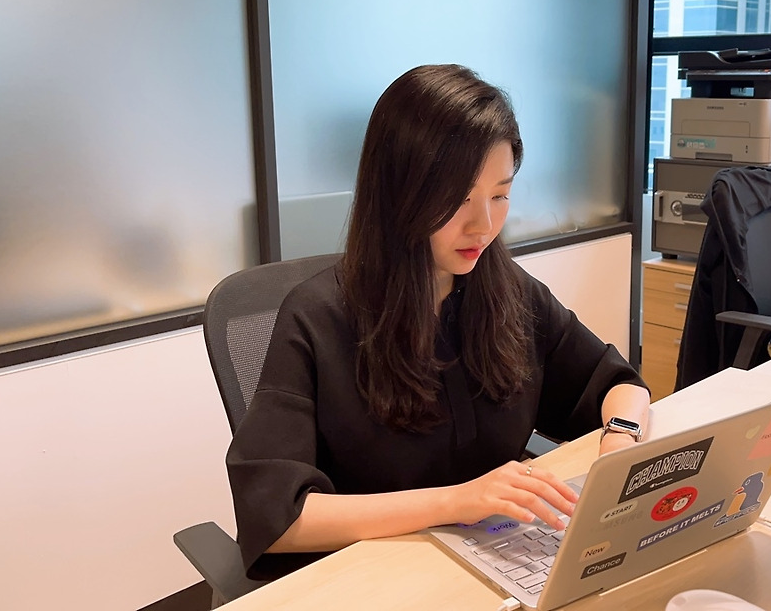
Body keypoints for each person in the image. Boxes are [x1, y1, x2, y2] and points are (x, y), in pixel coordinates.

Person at [226, 64, 651, 580]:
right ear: (399, 194)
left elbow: (618, 384)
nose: (484, 225)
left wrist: (619, 448)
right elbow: (279, 519)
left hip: (499, 554)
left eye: (500, 194)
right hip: (375, 573)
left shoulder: (507, 291)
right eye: (458, 200)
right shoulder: (317, 319)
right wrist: (456, 502)